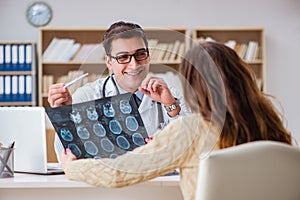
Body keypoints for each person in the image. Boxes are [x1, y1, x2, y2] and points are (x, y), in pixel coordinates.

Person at [60, 41, 293, 200]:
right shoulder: (269, 122)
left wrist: (73, 167)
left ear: (194, 86)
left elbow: (118, 172)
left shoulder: (192, 130)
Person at [47, 21, 190, 160]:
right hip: (105, 182)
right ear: (109, 62)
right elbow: (66, 158)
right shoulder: (86, 96)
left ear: (148, 56)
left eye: (140, 54)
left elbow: (189, 149)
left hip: (155, 182)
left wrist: (171, 107)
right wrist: (63, 117)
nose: (134, 65)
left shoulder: (171, 95)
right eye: (123, 57)